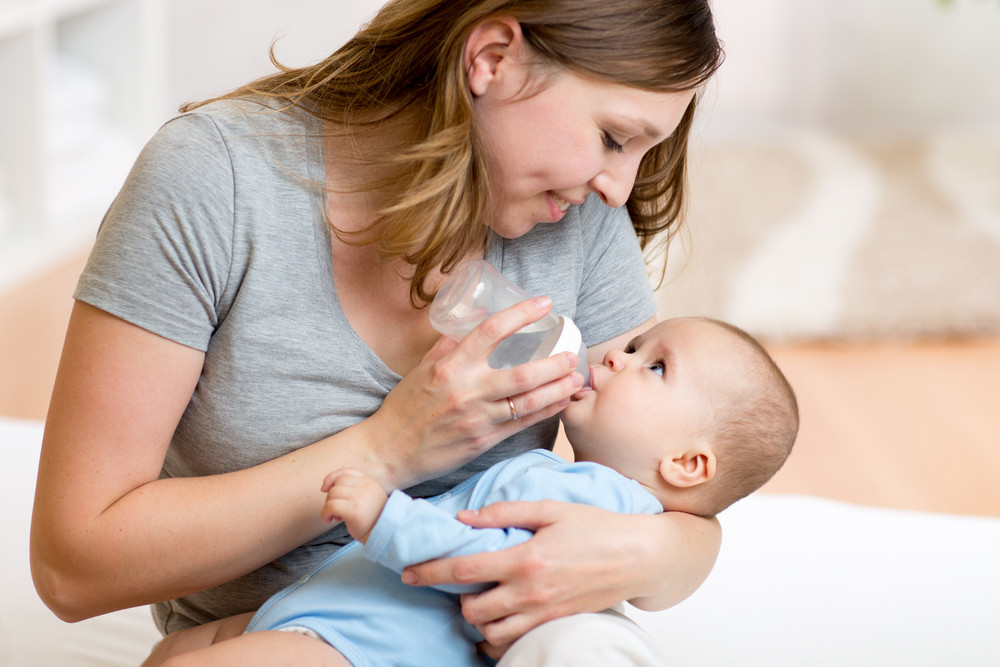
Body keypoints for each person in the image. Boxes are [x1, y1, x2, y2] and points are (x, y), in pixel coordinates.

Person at [30, 0, 726, 663]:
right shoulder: (216, 182)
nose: (619, 187)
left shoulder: (577, 222)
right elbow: (72, 566)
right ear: (490, 57)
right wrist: (386, 448)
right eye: (613, 137)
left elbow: (681, 494)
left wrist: (643, 555)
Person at [142, 316, 798, 666]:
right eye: (633, 343)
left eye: (654, 365)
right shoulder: (567, 479)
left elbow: (478, 559)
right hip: (326, 615)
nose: (617, 356)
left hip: (362, 650)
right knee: (173, 650)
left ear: (687, 463)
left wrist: (383, 515)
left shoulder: (598, 506)